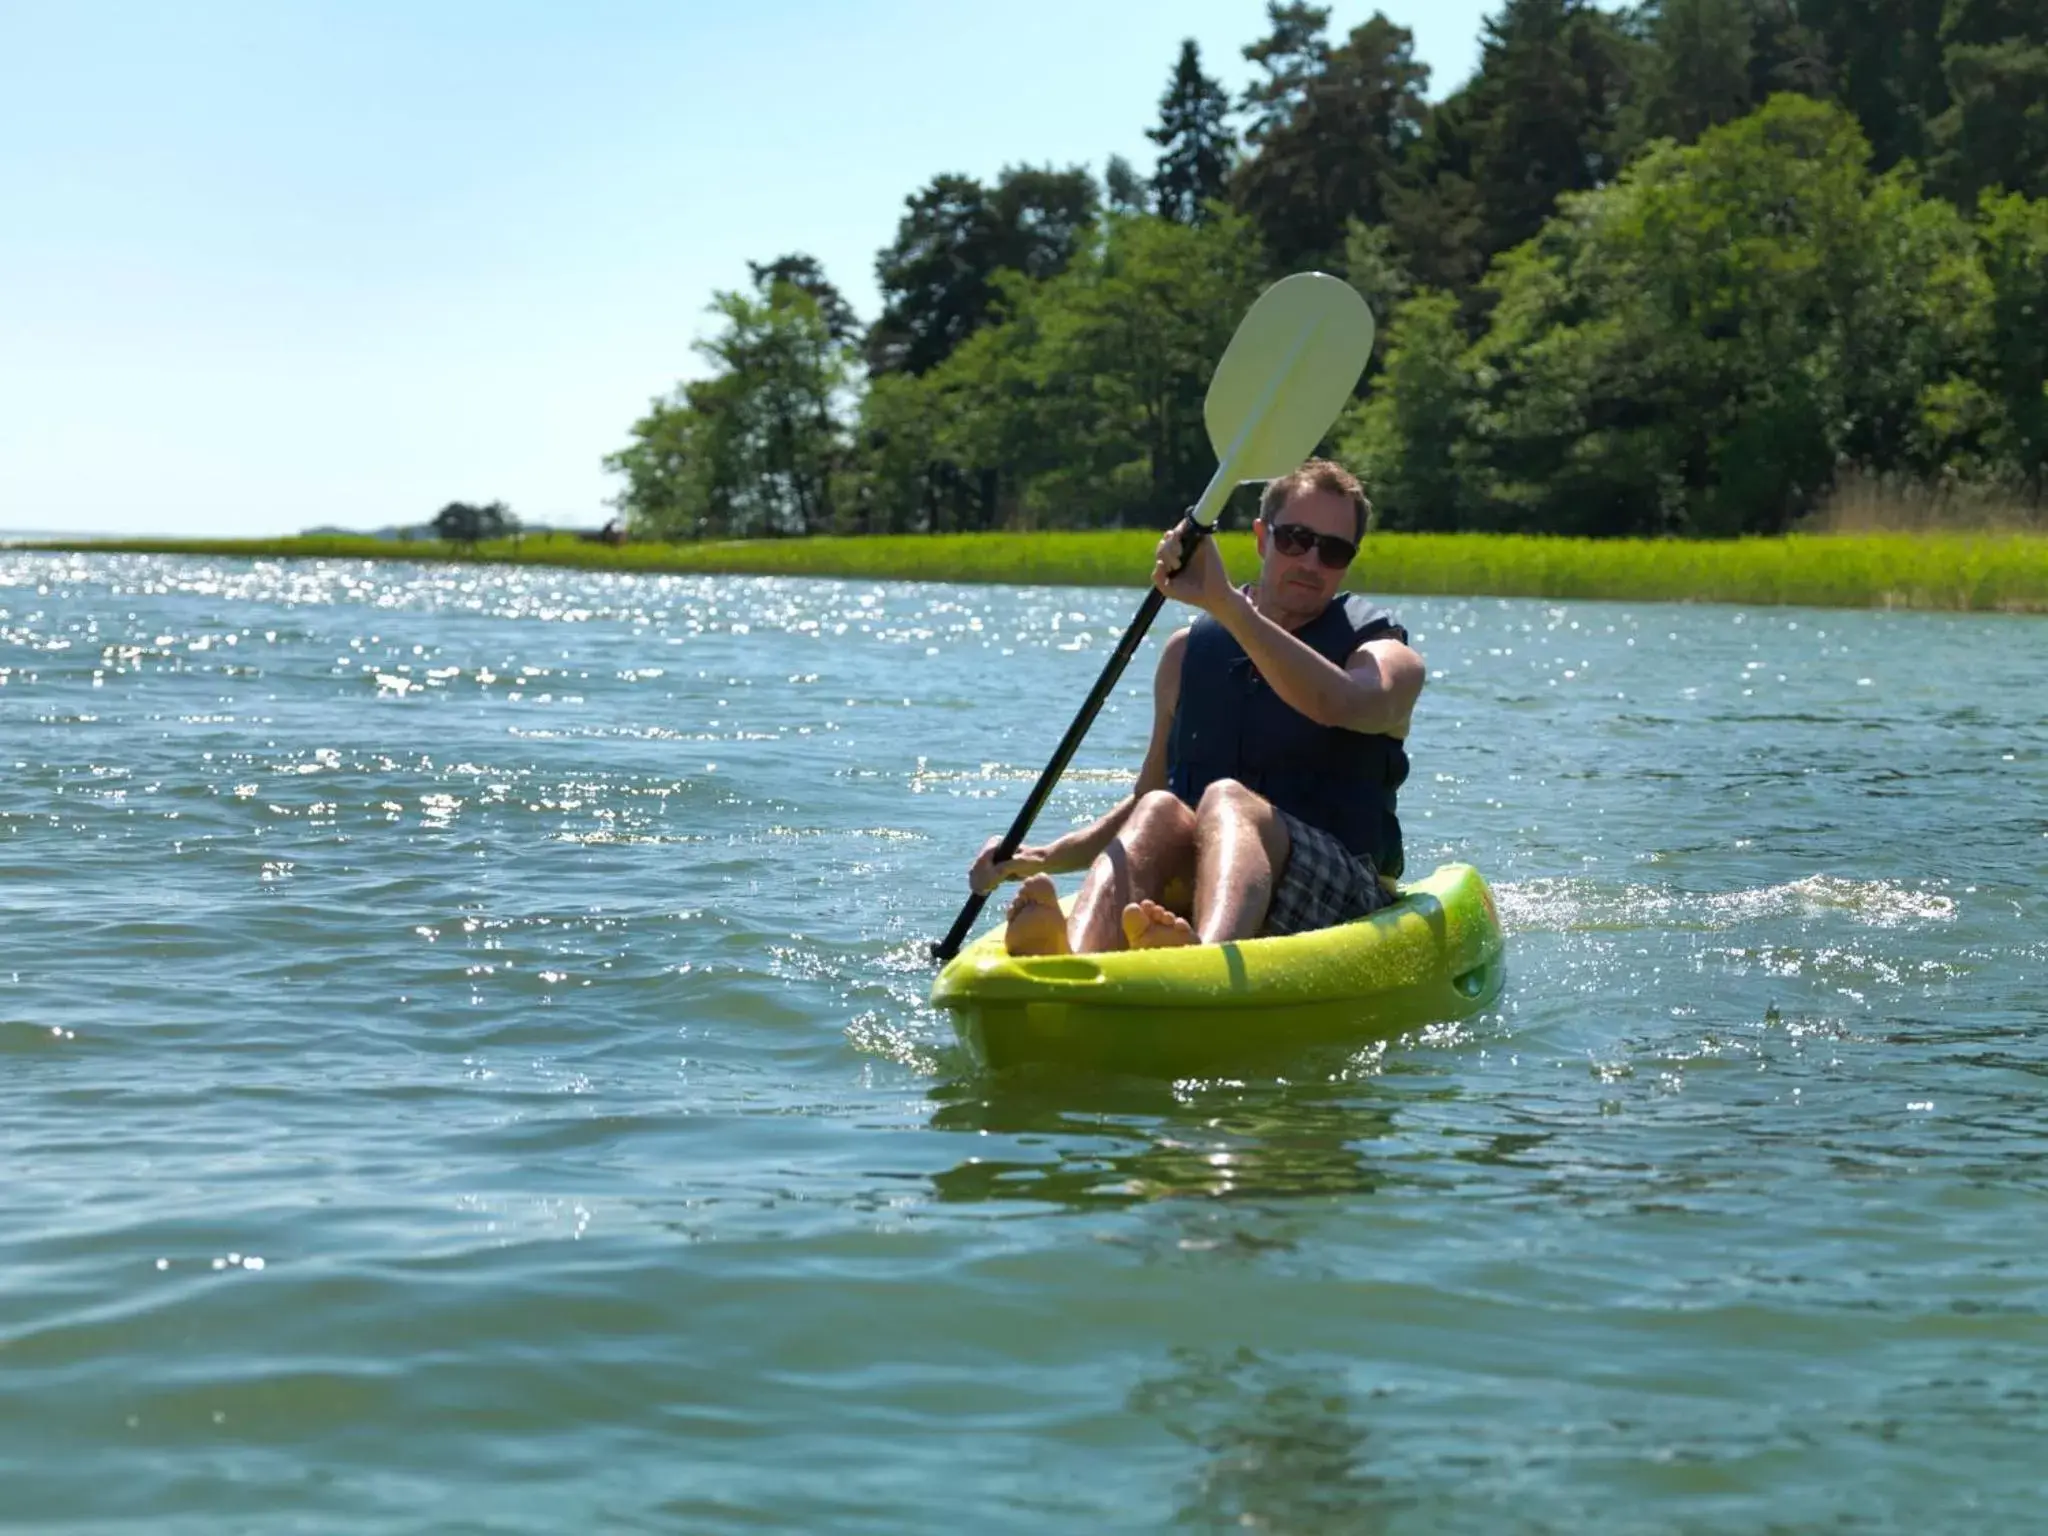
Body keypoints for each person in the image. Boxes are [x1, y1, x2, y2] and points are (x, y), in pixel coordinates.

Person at [967, 458, 1424, 956]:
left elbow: (1338, 703)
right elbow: (1148, 799)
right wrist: (1042, 857)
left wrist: (1226, 603)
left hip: (1338, 894)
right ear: (1261, 537)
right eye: (1295, 539)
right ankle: (1070, 956)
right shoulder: (1186, 653)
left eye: (1334, 551)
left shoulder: (1384, 655)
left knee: (1229, 798)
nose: (1312, 563)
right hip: (1211, 879)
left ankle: (1203, 961)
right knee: (1162, 808)